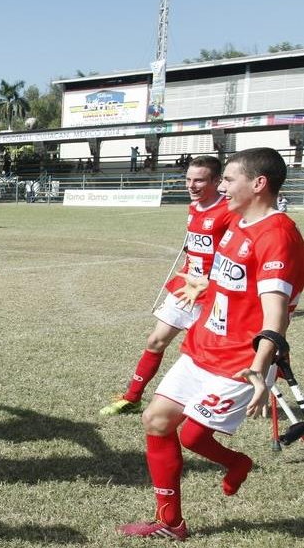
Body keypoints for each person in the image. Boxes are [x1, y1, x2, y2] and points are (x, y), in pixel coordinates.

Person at [118, 147, 304, 540]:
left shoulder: (278, 235)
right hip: (203, 346)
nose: (222, 186)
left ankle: (238, 463)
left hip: (239, 360)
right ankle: (170, 524)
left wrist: (260, 365)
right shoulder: (237, 222)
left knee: (192, 437)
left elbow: (277, 312)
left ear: (258, 184)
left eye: (229, 179)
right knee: (156, 421)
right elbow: (236, 278)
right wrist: (206, 283)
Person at [100, 156, 234, 415]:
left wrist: (212, 280)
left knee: (211, 356)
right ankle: (133, 397)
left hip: (213, 295)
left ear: (217, 181)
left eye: (199, 180)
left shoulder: (229, 211)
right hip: (185, 288)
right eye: (188, 179)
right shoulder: (194, 207)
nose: (191, 185)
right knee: (155, 341)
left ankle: (215, 403)